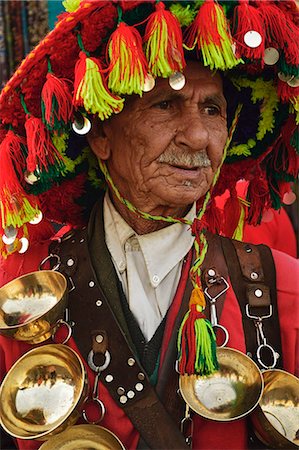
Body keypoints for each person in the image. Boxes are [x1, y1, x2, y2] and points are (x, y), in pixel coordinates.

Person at [0, 1, 298, 449]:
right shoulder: (17, 291)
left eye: (213, 110)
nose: (197, 136)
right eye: (165, 104)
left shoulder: (284, 290)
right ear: (101, 134)